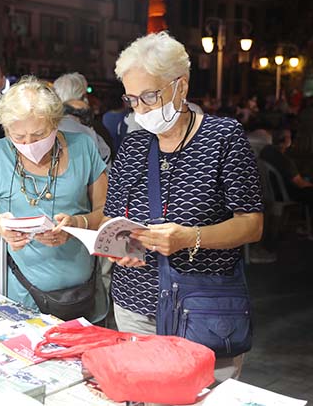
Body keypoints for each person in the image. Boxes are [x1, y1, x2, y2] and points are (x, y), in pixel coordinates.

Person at [105, 32, 263, 383]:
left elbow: (251, 224)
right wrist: (123, 246)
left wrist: (189, 238)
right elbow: (113, 218)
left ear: (181, 86)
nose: (141, 109)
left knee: (206, 395)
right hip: (136, 304)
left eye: (149, 96)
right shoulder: (132, 147)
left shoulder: (223, 138)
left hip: (204, 308)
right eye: (132, 99)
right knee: (145, 394)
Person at [0, 77, 108, 320]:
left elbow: (105, 213)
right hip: (23, 297)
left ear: (55, 123)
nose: (28, 144)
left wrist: (77, 224)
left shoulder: (83, 147)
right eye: (18, 137)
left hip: (83, 294)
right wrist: (1, 226)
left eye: (39, 135)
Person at [260, 128, 313, 241]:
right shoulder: (284, 160)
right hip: (284, 192)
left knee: (311, 192)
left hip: (270, 190)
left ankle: (304, 224)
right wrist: (312, 186)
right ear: (286, 140)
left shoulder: (265, 152)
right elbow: (299, 182)